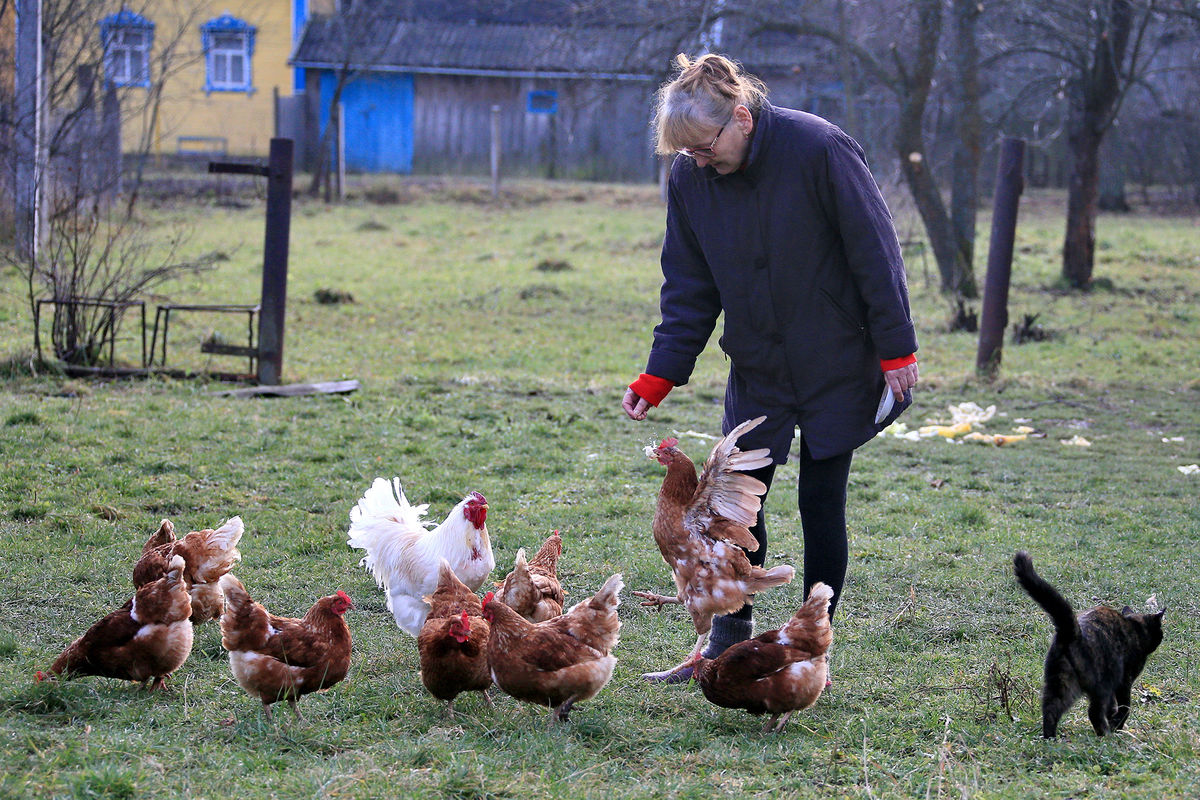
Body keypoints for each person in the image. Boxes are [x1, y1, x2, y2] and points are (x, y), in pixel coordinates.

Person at [623, 53, 919, 683]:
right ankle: (724, 645)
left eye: (704, 147)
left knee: (820, 496)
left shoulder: (819, 149)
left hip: (837, 354)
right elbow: (689, 283)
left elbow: (876, 251)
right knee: (736, 506)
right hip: (758, 361)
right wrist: (661, 372)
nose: (697, 160)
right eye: (686, 153)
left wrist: (896, 349)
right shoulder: (690, 178)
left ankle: (812, 646)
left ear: (742, 118)